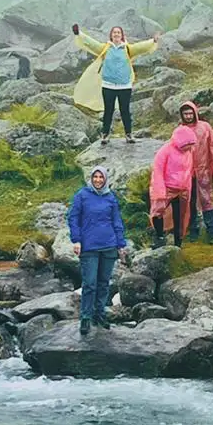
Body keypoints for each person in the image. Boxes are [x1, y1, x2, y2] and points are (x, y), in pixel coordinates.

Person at [72, 24, 160, 143]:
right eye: (114, 32)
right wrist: (79, 34)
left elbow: (141, 47)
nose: (116, 34)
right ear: (111, 35)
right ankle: (105, 135)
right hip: (108, 85)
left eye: (118, 32)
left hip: (124, 85)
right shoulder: (105, 48)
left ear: (122, 35)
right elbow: (91, 43)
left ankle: (128, 134)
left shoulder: (128, 49)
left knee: (125, 110)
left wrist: (153, 41)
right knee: (108, 110)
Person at [67, 166, 128, 331]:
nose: (98, 180)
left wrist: (121, 244)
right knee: (90, 283)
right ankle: (86, 317)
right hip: (89, 247)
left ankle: (99, 314)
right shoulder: (82, 195)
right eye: (95, 177)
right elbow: (73, 218)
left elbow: (117, 221)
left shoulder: (110, 197)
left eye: (101, 177)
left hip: (109, 245)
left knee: (103, 283)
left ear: (106, 179)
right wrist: (76, 240)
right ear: (91, 178)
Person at [177, 101, 213, 244]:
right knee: (189, 202)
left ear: (195, 113)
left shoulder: (205, 127)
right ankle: (193, 230)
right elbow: (175, 152)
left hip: (204, 170)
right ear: (182, 115)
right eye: (186, 114)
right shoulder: (179, 130)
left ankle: (211, 231)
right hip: (187, 173)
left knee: (207, 200)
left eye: (191, 113)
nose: (189, 116)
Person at [149, 124, 197, 247]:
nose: (189, 148)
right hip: (167, 188)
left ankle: (178, 242)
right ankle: (159, 236)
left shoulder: (189, 151)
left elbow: (189, 170)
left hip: (183, 189)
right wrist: (160, 191)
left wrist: (188, 187)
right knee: (157, 211)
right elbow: (158, 172)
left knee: (181, 216)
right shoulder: (165, 151)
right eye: (187, 145)